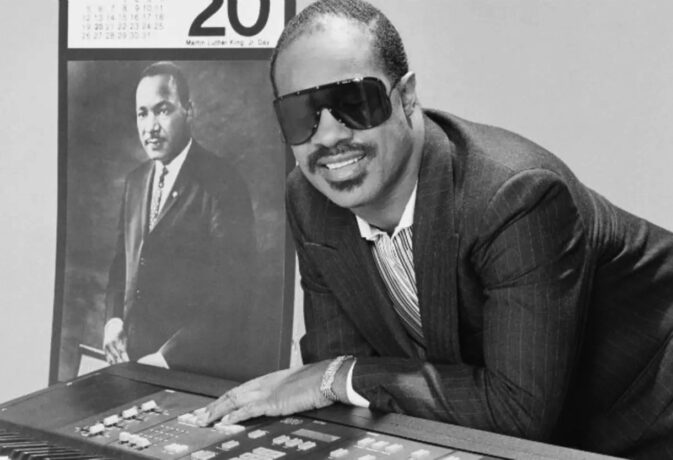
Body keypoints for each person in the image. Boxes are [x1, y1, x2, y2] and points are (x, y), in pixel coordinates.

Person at [196, 1, 673, 458]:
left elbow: (516, 413)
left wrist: (341, 377)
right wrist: (336, 380)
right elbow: (336, 380)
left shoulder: (516, 195)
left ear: (406, 97)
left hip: (650, 418)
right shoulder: (310, 198)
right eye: (301, 115)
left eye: (353, 102)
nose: (329, 136)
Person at [103, 61, 254, 376]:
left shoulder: (224, 183)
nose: (150, 127)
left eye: (162, 110)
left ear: (189, 110)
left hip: (192, 368)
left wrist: (167, 358)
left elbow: (233, 294)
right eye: (142, 113)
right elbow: (121, 264)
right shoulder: (135, 182)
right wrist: (113, 320)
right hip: (132, 362)